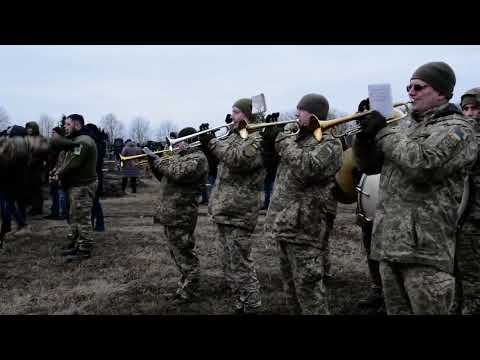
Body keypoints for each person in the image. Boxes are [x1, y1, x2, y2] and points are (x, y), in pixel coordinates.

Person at [353, 62, 478, 314]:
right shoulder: (403, 126)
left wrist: (384, 133)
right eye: (408, 87)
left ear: (441, 92)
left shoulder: (459, 128)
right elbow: (370, 166)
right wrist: (365, 138)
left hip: (425, 251)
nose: (411, 92)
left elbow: (423, 165)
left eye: (419, 87)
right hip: (389, 245)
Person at [263, 94, 343, 314]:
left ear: (314, 114)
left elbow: (309, 167)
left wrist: (283, 143)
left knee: (309, 289)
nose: (296, 114)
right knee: (290, 289)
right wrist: (270, 145)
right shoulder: (299, 140)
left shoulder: (329, 142)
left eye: (301, 110)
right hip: (286, 223)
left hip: (306, 225)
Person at [199, 98, 265, 314]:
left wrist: (212, 142)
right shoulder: (235, 137)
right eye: (232, 112)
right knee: (229, 263)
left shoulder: (256, 139)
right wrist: (210, 142)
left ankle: (252, 305)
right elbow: (222, 156)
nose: (232, 117)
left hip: (241, 211)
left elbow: (238, 159)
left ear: (248, 115)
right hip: (225, 210)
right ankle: (241, 301)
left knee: (241, 263)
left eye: (237, 112)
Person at [144, 127, 208, 301]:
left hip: (182, 213)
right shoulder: (179, 158)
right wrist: (153, 163)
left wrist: (159, 161)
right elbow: (167, 176)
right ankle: (184, 287)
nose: (177, 145)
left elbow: (179, 173)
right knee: (177, 252)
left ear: (190, 141)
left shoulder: (198, 158)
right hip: (171, 212)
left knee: (185, 253)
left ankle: (191, 290)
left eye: (180, 141)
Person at [50, 114, 98, 263]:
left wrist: (58, 174)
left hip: (83, 186)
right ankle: (79, 245)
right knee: (76, 217)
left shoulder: (83, 142)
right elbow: (66, 160)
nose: (65, 127)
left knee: (82, 219)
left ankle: (85, 250)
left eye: (68, 124)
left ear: (77, 125)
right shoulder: (77, 141)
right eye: (65, 125)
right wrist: (56, 171)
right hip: (78, 185)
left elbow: (73, 163)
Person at [455, 87, 480, 314]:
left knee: (473, 275)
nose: (470, 114)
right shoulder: (464, 133)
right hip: (461, 215)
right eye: (466, 109)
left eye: (476, 108)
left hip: (476, 218)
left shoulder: (471, 137)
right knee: (456, 272)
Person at [84, 123, 106, 232]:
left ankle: (99, 224)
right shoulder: (97, 142)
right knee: (93, 201)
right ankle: (95, 223)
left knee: (94, 201)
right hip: (94, 174)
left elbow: (97, 159)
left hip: (95, 174)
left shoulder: (98, 143)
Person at [44, 126, 68, 220]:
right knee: (54, 193)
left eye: (54, 132)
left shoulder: (62, 144)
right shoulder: (52, 143)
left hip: (60, 171)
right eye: (52, 132)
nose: (52, 134)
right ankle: (54, 212)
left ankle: (62, 213)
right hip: (53, 169)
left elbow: (61, 160)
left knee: (60, 193)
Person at [25, 121, 46, 216]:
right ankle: (34, 207)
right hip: (29, 168)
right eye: (28, 128)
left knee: (37, 189)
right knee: (31, 188)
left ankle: (37, 208)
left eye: (30, 128)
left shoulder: (40, 139)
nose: (29, 130)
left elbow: (42, 154)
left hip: (37, 167)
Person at [198, 123, 219, 205]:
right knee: (211, 183)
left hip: (207, 163)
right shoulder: (210, 137)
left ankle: (206, 199)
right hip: (213, 163)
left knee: (206, 184)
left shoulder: (201, 138)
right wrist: (213, 133)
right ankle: (210, 199)